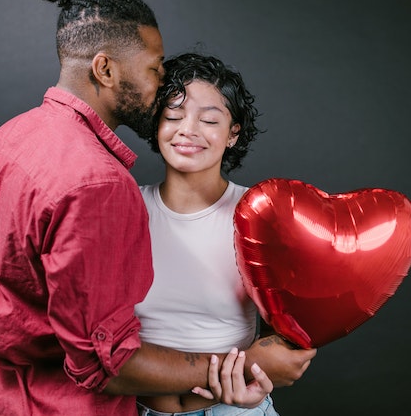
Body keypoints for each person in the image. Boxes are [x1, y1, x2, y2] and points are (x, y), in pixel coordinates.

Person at [0, 0, 310, 415]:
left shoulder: (7, 138)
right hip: (56, 403)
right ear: (105, 69)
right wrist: (247, 362)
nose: (159, 86)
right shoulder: (103, 184)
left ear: (233, 133)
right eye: (155, 70)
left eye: (209, 119)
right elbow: (107, 363)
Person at [135, 53, 317, 415]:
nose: (188, 129)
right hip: (134, 409)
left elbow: (288, 336)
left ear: (233, 134)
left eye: (209, 120)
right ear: (156, 124)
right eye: (173, 115)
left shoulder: (257, 215)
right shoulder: (126, 207)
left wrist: (256, 374)